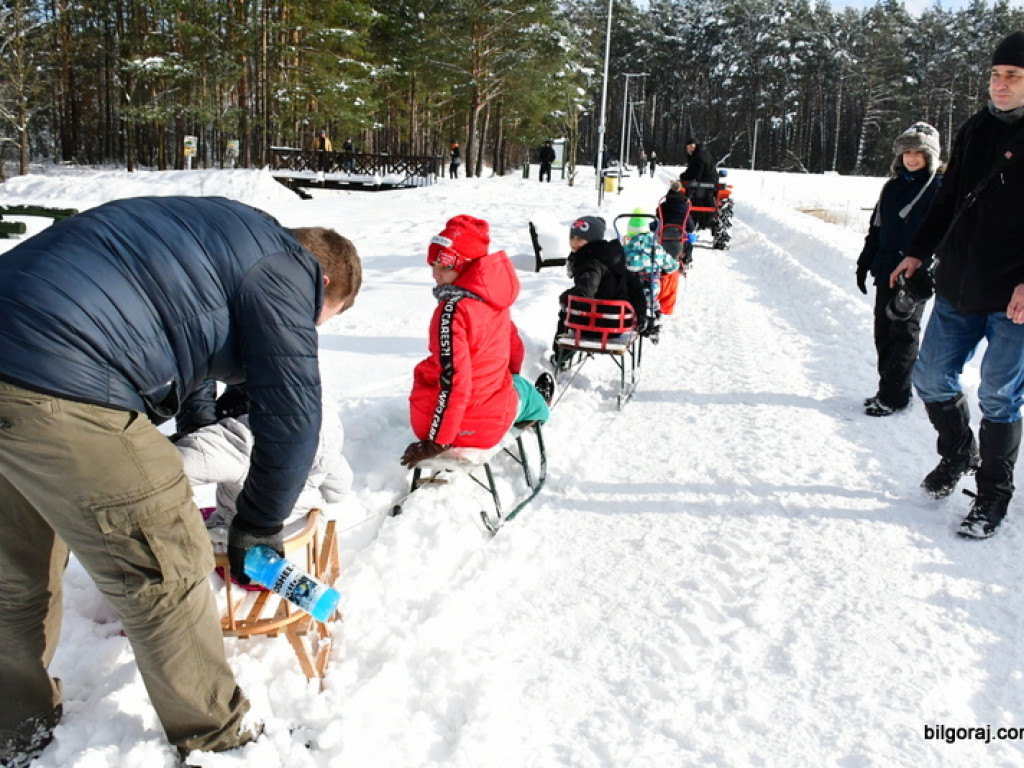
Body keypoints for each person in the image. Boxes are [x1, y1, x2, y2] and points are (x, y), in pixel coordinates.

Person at [0, 196, 361, 765]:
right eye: (323, 319)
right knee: (168, 566)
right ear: (324, 286)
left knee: (15, 573)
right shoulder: (288, 270)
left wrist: (198, 414)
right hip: (65, 375)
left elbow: (177, 335)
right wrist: (259, 525)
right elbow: (293, 415)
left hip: (17, 342)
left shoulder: (219, 235)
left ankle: (14, 727)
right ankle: (220, 738)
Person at [892, 31, 1024, 539]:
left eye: (1012, 76)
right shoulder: (974, 130)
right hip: (959, 285)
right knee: (929, 378)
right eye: (995, 75)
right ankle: (958, 454)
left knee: (999, 396)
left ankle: (992, 495)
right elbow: (946, 201)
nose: (1000, 84)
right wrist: (916, 252)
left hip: (1013, 298)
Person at [401, 215, 553, 467]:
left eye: (444, 266)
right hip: (484, 426)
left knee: (505, 386)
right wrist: (503, 383)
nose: (435, 274)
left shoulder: (452, 312)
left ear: (466, 266)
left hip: (435, 427)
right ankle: (540, 407)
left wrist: (437, 441)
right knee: (521, 388)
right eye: (433, 264)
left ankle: (523, 399)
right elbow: (514, 350)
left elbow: (454, 382)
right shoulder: (495, 303)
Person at [176, 394, 353, 548]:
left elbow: (182, 464)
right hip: (301, 546)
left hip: (247, 559)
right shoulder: (328, 450)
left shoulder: (244, 445)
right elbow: (338, 492)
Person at [856, 122, 943, 418]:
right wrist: (865, 260)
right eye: (908, 152)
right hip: (885, 269)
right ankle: (887, 389)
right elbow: (876, 228)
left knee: (903, 332)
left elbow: (943, 235)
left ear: (931, 156)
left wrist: (928, 268)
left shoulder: (937, 190)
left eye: (919, 153)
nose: (912, 158)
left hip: (913, 275)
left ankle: (895, 396)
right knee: (883, 330)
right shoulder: (892, 187)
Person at [550, 215, 647, 368]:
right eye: (572, 237)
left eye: (580, 239)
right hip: (617, 325)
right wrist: (641, 314)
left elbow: (584, 292)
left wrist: (564, 297)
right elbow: (635, 286)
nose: (574, 242)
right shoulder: (613, 258)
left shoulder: (592, 263)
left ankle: (561, 358)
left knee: (567, 310)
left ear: (592, 240)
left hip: (596, 327)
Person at [622, 208, 679, 343]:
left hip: (630, 291)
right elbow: (672, 266)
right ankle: (654, 319)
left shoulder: (627, 249)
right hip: (653, 289)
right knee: (655, 290)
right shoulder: (657, 248)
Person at [679, 136, 718, 216]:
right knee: (708, 195)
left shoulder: (698, 156)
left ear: (696, 146)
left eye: (692, 147)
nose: (690, 149)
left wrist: (683, 177)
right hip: (712, 179)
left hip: (705, 180)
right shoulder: (704, 153)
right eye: (688, 147)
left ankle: (688, 214)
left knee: (688, 192)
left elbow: (695, 173)